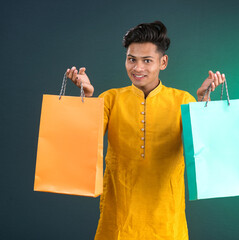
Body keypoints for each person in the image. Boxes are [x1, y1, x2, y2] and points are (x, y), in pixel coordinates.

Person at [66, 21, 226, 240]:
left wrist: (202, 104)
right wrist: (88, 98)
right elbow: (81, 142)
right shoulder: (110, 99)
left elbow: (205, 153)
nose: (137, 68)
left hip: (167, 221)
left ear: (163, 62)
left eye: (147, 60)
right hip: (118, 220)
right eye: (131, 59)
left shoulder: (183, 100)